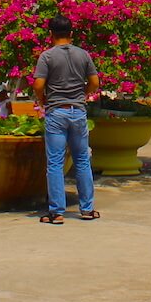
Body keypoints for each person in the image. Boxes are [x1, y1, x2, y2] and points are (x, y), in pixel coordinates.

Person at [32, 16, 99, 224]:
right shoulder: (83, 54)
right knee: (81, 160)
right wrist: (83, 95)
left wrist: (43, 100)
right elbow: (94, 82)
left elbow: (38, 85)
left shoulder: (47, 57)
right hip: (78, 112)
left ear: (50, 34)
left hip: (56, 112)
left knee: (55, 163)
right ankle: (87, 209)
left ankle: (57, 212)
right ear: (71, 33)